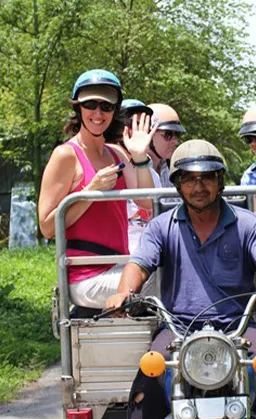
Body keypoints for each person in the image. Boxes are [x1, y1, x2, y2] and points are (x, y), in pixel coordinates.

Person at [105, 140, 256, 419]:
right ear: (177, 184)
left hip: (238, 326)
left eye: (206, 178)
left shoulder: (246, 224)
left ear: (220, 181)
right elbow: (140, 264)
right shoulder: (163, 227)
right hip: (178, 327)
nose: (198, 186)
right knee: (150, 367)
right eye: (188, 178)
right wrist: (122, 292)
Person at [38, 69, 157, 309]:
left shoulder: (117, 154)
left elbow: (147, 202)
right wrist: (91, 191)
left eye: (107, 106)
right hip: (87, 277)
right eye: (90, 104)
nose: (98, 113)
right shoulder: (66, 156)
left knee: (175, 267)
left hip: (120, 265)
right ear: (78, 108)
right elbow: (47, 227)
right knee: (167, 280)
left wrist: (140, 157)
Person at [119, 99, 161, 251]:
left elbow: (149, 204)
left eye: (144, 123)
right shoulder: (108, 165)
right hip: (119, 253)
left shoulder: (151, 174)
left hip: (150, 252)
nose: (138, 131)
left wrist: (140, 160)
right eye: (132, 123)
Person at [146, 103, 186, 188]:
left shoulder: (169, 168)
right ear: (148, 132)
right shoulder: (132, 168)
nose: (175, 141)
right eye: (168, 134)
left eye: (177, 134)